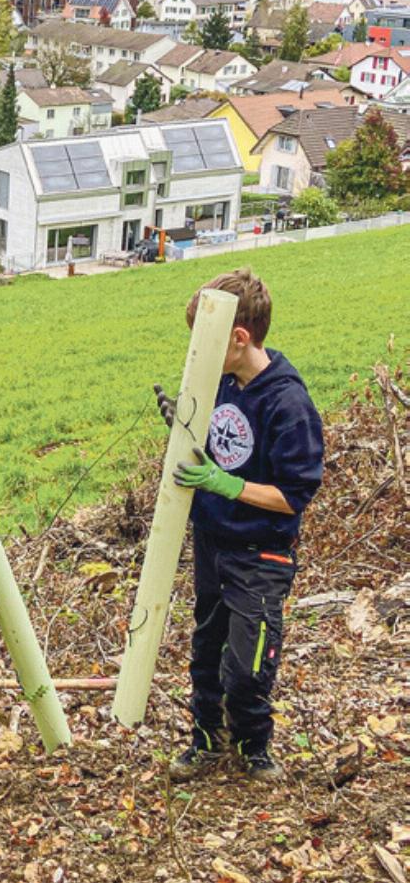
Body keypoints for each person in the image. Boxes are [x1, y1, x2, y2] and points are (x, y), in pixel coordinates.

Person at [154, 268, 323, 783]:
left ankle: (255, 745)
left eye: (203, 343)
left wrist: (227, 485)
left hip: (260, 552)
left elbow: (295, 494)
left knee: (247, 665)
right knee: (206, 649)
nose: (195, 355)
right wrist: (184, 423)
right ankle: (206, 740)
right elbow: (213, 440)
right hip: (213, 542)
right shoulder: (221, 382)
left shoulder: (286, 403)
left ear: (238, 337)